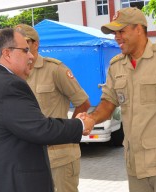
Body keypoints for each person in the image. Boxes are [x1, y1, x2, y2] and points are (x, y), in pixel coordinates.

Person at [0, 28, 95, 192]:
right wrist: (80, 124)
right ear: (7, 54)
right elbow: (39, 128)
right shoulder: (8, 84)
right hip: (4, 182)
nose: (30, 56)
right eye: (25, 50)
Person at [87, 7, 156, 192]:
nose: (117, 37)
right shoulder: (116, 66)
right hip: (135, 165)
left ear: (139, 29)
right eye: (115, 33)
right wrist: (91, 119)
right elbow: (107, 104)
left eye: (121, 31)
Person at [14, 24, 91, 192]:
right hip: (30, 158)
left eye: (26, 42)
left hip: (59, 158)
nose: (23, 48)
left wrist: (67, 131)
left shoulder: (54, 69)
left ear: (36, 44)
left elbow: (83, 102)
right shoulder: (15, 75)